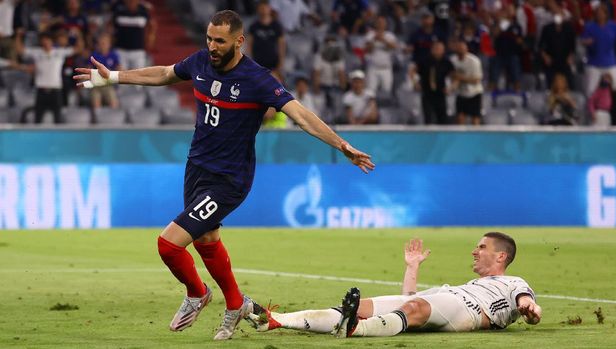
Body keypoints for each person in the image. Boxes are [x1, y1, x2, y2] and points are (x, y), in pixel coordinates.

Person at [73, 10, 374, 341]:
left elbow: (301, 115)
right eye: (209, 38)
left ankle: (197, 293)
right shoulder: (201, 61)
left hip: (230, 180)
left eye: (220, 41)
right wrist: (114, 77)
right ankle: (236, 303)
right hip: (197, 168)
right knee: (206, 240)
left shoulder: (259, 80)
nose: (212, 46)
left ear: (239, 41)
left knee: (168, 245)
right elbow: (164, 74)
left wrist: (342, 145)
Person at [249, 233, 542, 338]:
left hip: (471, 310)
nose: (474, 251)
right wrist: (412, 267)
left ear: (501, 255)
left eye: (482, 247)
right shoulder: (465, 284)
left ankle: (355, 329)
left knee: (413, 308)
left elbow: (526, 302)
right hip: (447, 298)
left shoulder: (513, 282)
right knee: (364, 306)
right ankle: (274, 320)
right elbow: (408, 301)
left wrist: (530, 309)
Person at [15, 30, 83, 123]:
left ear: (52, 41)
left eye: (48, 40)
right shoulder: (36, 52)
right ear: (41, 42)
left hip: (56, 91)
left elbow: (79, 49)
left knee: (57, 119)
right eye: (44, 40)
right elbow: (20, 50)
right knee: (38, 120)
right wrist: (18, 36)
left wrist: (79, 35)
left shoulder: (59, 52)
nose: (46, 42)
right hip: (41, 90)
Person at [581, 4, 616, 96]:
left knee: (615, 88)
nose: (599, 15)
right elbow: (582, 40)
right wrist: (586, 42)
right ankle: (590, 109)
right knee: (591, 90)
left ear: (606, 14)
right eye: (597, 13)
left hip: (610, 63)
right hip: (593, 63)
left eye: (602, 13)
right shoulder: (590, 27)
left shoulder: (613, 26)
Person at [246, 0, 285, 82]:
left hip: (273, 62)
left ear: (269, 9)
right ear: (258, 10)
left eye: (265, 8)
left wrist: (281, 61)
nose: (263, 10)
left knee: (274, 85)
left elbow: (281, 45)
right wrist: (249, 60)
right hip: (258, 62)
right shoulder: (254, 26)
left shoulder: (276, 26)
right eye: (261, 8)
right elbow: (249, 44)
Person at [417, 41, 453, 124]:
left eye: (440, 49)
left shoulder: (446, 62)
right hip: (427, 93)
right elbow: (414, 72)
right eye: (436, 49)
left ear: (443, 50)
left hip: (441, 93)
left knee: (442, 118)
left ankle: (443, 136)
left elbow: (454, 76)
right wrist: (416, 83)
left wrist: (451, 87)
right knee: (428, 118)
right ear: (432, 50)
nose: (438, 51)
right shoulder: (425, 61)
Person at [450, 38, 484, 125]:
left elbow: (477, 80)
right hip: (461, 93)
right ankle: (461, 138)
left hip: (474, 93)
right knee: (460, 118)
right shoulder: (452, 60)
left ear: (466, 49)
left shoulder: (474, 61)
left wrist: (461, 78)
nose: (460, 50)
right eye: (458, 48)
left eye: (462, 48)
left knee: (475, 119)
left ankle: (476, 137)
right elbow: (451, 75)